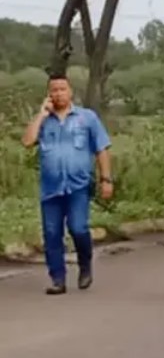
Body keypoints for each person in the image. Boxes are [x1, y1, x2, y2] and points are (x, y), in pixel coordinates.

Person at [20, 73, 114, 295]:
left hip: (77, 185)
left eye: (62, 89)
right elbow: (27, 141)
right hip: (51, 188)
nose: (58, 93)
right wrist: (41, 115)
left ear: (71, 92)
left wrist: (106, 179)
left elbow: (102, 149)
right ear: (48, 94)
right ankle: (58, 279)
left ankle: (85, 264)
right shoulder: (44, 121)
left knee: (78, 228)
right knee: (52, 233)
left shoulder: (87, 118)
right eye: (54, 90)